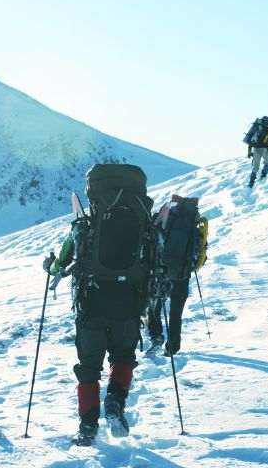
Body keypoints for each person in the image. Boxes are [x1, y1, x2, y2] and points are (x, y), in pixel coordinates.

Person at [44, 164, 154, 446]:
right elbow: (155, 261)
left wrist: (51, 265)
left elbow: (61, 264)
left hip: (92, 302)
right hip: (129, 301)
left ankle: (87, 426)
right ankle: (116, 400)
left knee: (89, 366)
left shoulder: (84, 224)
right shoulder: (143, 223)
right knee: (123, 358)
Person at [147, 195, 208, 356]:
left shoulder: (165, 216)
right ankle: (172, 347)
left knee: (154, 306)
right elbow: (201, 248)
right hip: (182, 275)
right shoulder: (195, 223)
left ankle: (156, 336)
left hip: (161, 272)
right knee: (176, 314)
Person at [246, 116, 268, 188]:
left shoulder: (257, 129)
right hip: (264, 149)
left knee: (255, 167)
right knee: (267, 163)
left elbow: (251, 141)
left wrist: (249, 151)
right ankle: (263, 176)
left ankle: (251, 182)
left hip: (256, 148)